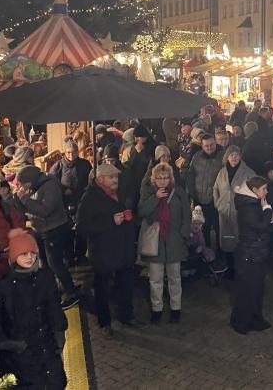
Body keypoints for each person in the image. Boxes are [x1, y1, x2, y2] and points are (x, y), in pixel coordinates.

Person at [0, 229, 68, 389]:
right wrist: (10, 345)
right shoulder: (3, 287)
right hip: (20, 354)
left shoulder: (45, 276)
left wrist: (59, 334)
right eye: (24, 254)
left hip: (47, 347)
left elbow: (54, 306)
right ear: (14, 257)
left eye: (32, 253)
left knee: (56, 383)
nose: (29, 258)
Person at [76, 164, 138, 336]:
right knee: (102, 287)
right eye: (111, 177)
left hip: (123, 249)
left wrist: (129, 218)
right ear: (101, 179)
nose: (115, 180)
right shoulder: (89, 198)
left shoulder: (121, 193)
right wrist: (110, 222)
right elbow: (82, 227)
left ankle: (126, 315)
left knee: (125, 284)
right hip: (103, 252)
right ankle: (105, 322)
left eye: (116, 177)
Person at [12, 166, 78, 308]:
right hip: (39, 229)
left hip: (54, 229)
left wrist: (25, 200)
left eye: (24, 183)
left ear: (31, 180)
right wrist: (17, 199)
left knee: (55, 263)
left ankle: (71, 292)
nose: (22, 187)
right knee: (45, 264)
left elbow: (45, 210)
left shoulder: (50, 185)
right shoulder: (31, 187)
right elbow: (24, 211)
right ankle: (53, 290)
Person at [138, 163, 191, 324]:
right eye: (160, 178)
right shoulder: (149, 192)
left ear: (171, 178)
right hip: (156, 242)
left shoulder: (179, 193)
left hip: (174, 240)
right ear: (155, 179)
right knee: (155, 279)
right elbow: (142, 211)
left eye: (166, 178)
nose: (163, 181)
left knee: (175, 277)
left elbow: (186, 215)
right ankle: (157, 309)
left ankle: (176, 308)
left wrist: (183, 235)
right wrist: (156, 198)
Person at [230, 176, 273, 334]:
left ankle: (255, 319)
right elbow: (261, 226)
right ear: (254, 190)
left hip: (256, 252)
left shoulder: (253, 204)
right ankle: (241, 322)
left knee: (256, 289)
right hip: (249, 254)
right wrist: (268, 210)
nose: (266, 191)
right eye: (264, 188)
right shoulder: (248, 208)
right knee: (247, 290)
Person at [48, 138, 92, 267]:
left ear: (77, 152)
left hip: (82, 202)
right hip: (64, 204)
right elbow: (51, 182)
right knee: (67, 232)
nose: (71, 155)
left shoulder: (85, 165)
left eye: (73, 152)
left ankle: (80, 255)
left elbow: (91, 179)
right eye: (68, 152)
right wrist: (62, 190)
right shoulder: (57, 167)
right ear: (64, 153)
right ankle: (68, 256)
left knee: (82, 230)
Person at [213, 145, 256, 259]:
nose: (234, 157)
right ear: (227, 157)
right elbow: (215, 188)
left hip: (239, 212)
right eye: (231, 155)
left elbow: (255, 191)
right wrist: (218, 204)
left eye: (236, 155)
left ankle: (239, 264)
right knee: (226, 238)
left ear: (240, 157)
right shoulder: (222, 172)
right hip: (224, 211)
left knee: (239, 238)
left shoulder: (248, 172)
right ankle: (227, 263)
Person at [187, 134, 224, 249]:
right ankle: (206, 251)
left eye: (211, 144)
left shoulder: (222, 157)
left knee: (218, 228)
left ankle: (219, 251)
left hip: (215, 201)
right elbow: (191, 175)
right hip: (199, 200)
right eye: (206, 145)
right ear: (202, 146)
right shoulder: (197, 157)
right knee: (203, 228)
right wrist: (191, 193)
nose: (209, 148)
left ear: (215, 143)